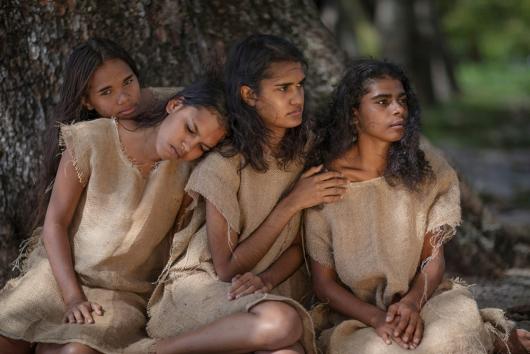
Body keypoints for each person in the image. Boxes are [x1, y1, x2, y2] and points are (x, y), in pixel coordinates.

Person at [304, 58, 530, 354]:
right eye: (382, 102)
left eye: (401, 100)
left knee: (452, 341)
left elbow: (432, 260)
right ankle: (496, 339)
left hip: (426, 299)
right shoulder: (324, 182)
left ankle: (487, 335)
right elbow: (324, 285)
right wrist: (377, 317)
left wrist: (411, 303)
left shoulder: (428, 170)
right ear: (354, 115)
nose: (398, 109)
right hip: (355, 314)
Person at [146, 34, 347, 354]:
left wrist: (267, 280)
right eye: (283, 89)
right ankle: (157, 350)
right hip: (205, 289)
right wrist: (292, 201)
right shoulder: (223, 163)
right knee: (283, 324)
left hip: (265, 294)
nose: (297, 98)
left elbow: (299, 245)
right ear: (249, 95)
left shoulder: (306, 149)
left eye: (299, 85)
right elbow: (226, 267)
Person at [0, 78, 228, 354]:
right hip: (56, 274)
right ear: (174, 105)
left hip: (120, 295)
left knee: (75, 350)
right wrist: (73, 297)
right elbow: (55, 223)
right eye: (190, 129)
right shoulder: (92, 139)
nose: (188, 146)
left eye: (202, 147)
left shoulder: (188, 175)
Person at [34, 37, 179, 231]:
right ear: (87, 101)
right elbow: (55, 224)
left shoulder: (166, 105)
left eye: (128, 81)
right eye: (106, 92)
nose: (124, 98)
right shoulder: (85, 143)